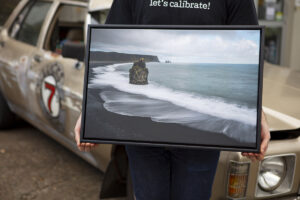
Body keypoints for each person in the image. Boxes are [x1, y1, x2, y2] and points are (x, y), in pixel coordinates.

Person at [74, 0, 271, 199]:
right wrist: (88, 115)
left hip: (201, 144)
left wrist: (256, 115)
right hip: (143, 137)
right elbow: (112, 32)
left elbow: (251, 44)